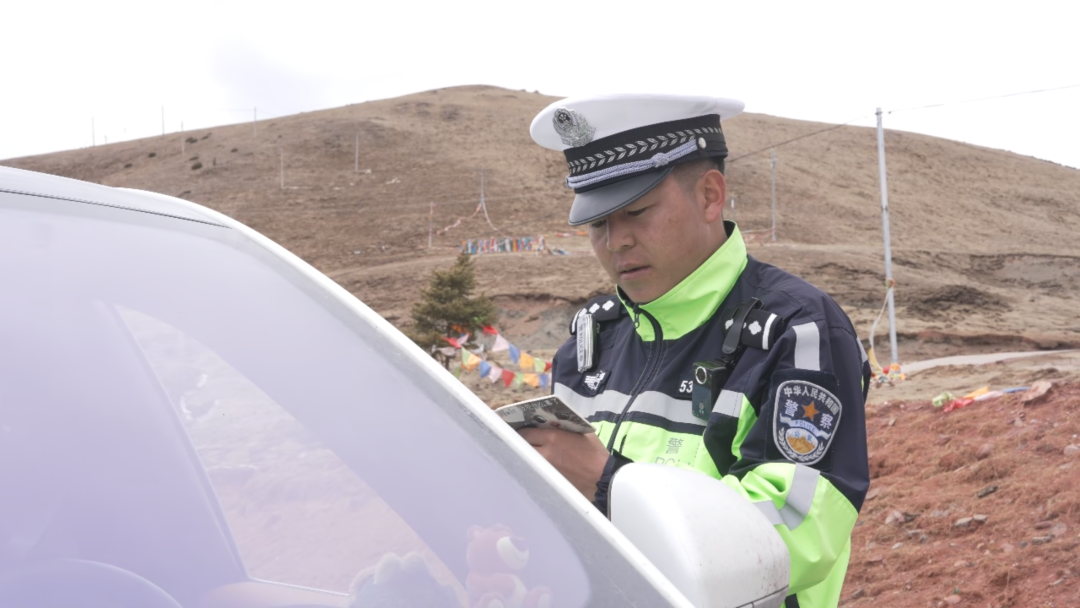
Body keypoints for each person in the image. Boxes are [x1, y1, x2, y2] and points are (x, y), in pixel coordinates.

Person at [520, 94, 870, 608]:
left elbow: (795, 533)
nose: (615, 242)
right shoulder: (589, 340)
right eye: (597, 223)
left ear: (709, 195)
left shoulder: (799, 330)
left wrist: (611, 486)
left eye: (635, 212)